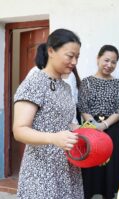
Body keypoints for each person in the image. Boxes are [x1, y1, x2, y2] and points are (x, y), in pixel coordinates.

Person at [13, 28, 84, 198]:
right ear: (51, 51)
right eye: (69, 55)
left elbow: (66, 122)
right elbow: (20, 130)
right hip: (42, 171)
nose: (74, 61)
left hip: (68, 167)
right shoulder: (34, 83)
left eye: (77, 57)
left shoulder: (65, 87)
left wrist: (87, 134)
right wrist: (53, 138)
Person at [78, 44, 119, 199]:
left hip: (112, 130)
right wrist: (94, 125)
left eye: (113, 62)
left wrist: (104, 125)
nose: (109, 65)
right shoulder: (86, 82)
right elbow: (83, 106)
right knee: (91, 165)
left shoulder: (118, 84)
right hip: (90, 130)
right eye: (106, 60)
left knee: (111, 168)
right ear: (98, 59)